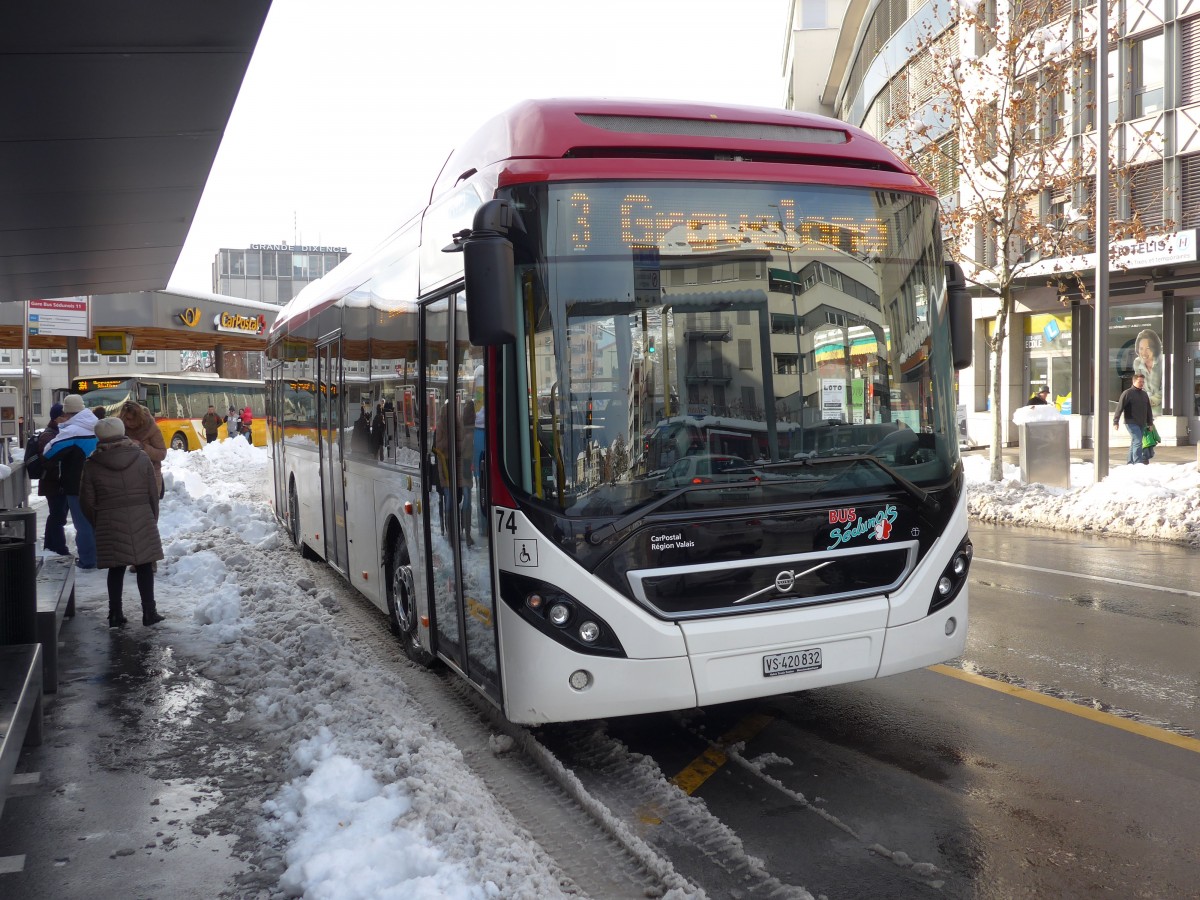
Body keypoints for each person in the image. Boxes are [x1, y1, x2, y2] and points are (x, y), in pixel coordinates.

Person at [79, 417, 164, 627]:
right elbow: (152, 492)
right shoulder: (141, 457)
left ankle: (115, 613)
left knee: (115, 569)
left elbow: (87, 501)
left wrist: (98, 521)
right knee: (144, 565)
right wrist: (152, 517)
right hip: (141, 514)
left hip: (108, 519)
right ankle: (149, 612)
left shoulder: (92, 464)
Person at [43, 394, 99, 569]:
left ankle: (88, 560)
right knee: (99, 522)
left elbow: (49, 452)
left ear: (67, 413)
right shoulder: (97, 425)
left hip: (78, 484)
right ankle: (104, 557)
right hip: (101, 482)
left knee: (83, 525)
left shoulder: (73, 430)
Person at [37, 402, 71, 556]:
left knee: (56, 515)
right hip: (53, 483)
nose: (68, 418)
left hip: (57, 482)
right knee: (58, 516)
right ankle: (59, 547)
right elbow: (48, 460)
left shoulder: (55, 433)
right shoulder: (49, 435)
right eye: (65, 416)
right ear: (57, 418)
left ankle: (50, 546)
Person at [119, 400, 167, 498]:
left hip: (150, 476)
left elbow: (162, 453)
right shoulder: (119, 427)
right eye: (128, 419)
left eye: (134, 419)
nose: (131, 422)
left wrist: (142, 447)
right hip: (126, 477)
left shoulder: (150, 427)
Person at [1113, 372, 1154, 465]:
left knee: (1135, 442)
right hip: (1131, 422)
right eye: (1140, 382)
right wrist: (1116, 421)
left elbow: (1148, 410)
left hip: (1142, 423)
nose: (1142, 383)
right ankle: (1137, 462)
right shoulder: (1127, 393)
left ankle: (1130, 462)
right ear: (1134, 381)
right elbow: (1119, 408)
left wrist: (1150, 423)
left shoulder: (1144, 394)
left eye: (1143, 382)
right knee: (1138, 441)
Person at [1132, 329, 1162, 416]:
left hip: (1162, 410)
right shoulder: (1137, 362)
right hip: (1143, 408)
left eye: (1148, 348)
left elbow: (1167, 388)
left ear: (1155, 348)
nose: (1144, 353)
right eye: (1141, 348)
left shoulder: (1163, 361)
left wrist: (1152, 400)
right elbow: (1138, 385)